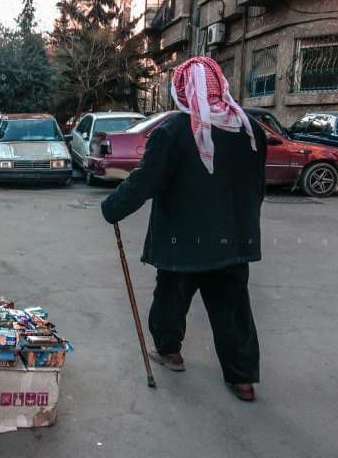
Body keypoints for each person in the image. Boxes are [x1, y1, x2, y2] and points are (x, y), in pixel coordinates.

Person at [100, 57, 267, 402]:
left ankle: (170, 352)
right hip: (232, 240)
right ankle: (243, 380)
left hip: (183, 239)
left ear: (183, 90)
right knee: (233, 309)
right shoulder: (249, 128)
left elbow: (147, 180)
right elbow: (256, 186)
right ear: (220, 85)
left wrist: (113, 208)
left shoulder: (175, 130)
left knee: (171, 301)